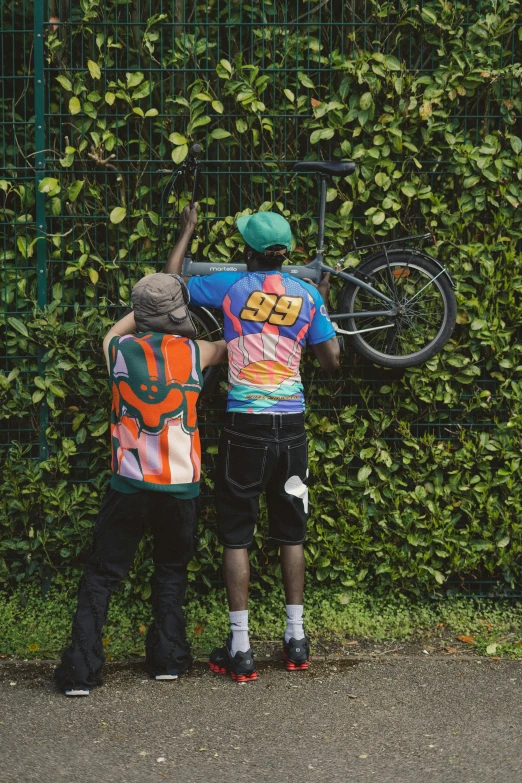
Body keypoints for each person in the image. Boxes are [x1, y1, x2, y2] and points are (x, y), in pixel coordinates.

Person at [165, 206, 340, 682]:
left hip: (244, 423)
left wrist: (187, 231)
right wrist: (321, 305)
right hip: (293, 426)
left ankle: (240, 649)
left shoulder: (231, 287)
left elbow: (169, 284)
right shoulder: (306, 294)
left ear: (248, 253)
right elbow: (331, 361)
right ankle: (296, 640)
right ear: (287, 254)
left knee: (237, 533)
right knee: (292, 531)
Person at [54, 267, 226, 695]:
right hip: (180, 487)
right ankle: (168, 658)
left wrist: (146, 311)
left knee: (102, 573)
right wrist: (181, 317)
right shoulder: (196, 353)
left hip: (128, 486)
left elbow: (119, 327)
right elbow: (228, 344)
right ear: (176, 315)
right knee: (170, 570)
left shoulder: (117, 349)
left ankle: (80, 671)